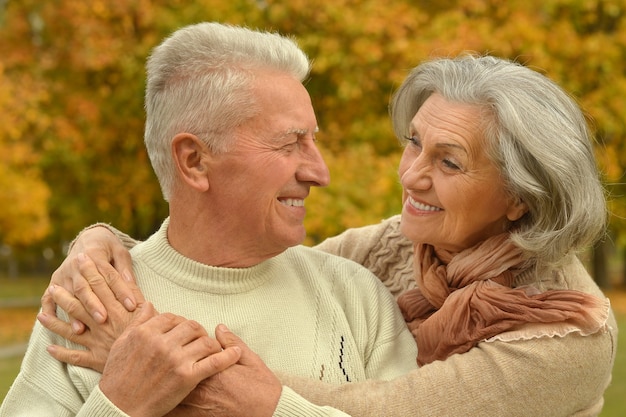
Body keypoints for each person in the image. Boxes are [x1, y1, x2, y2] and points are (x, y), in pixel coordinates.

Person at [26, 55, 618, 416]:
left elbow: (388, 412)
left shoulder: (567, 337)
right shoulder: (397, 248)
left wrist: (141, 357)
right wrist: (104, 242)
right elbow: (236, 261)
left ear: (520, 196)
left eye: (450, 163)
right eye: (414, 142)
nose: (411, 175)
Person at [0, 22, 420, 417]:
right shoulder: (88, 304)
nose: (319, 172)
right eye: (290, 143)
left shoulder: (355, 297)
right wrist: (119, 405)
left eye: (313, 140)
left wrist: (275, 408)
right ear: (194, 160)